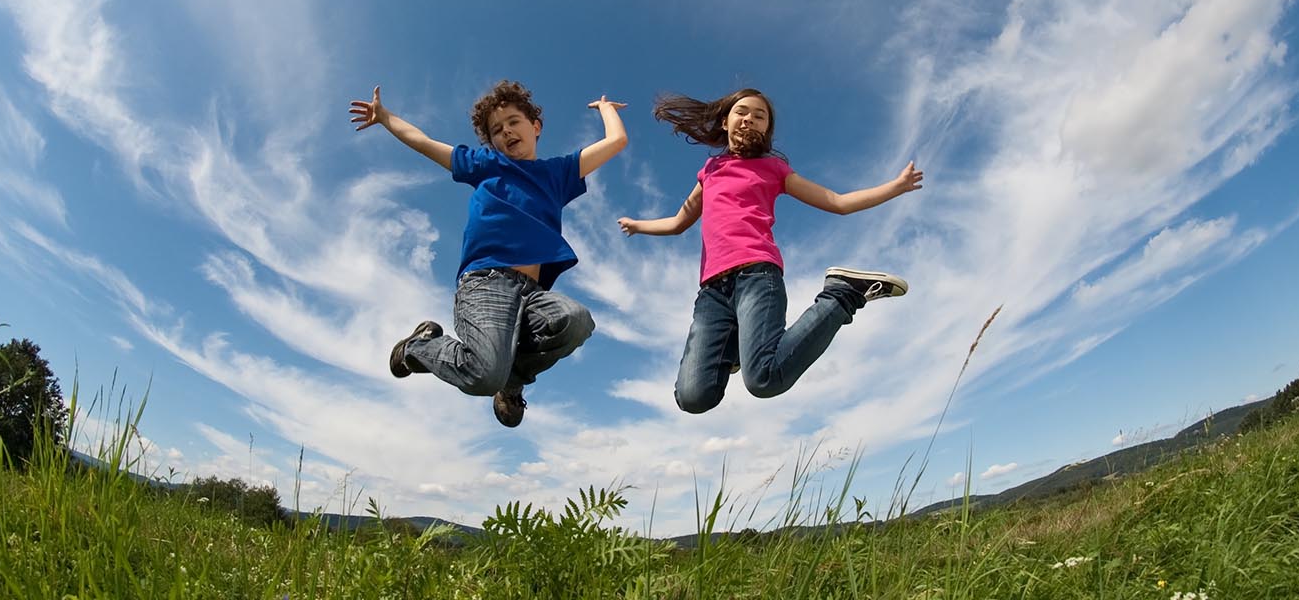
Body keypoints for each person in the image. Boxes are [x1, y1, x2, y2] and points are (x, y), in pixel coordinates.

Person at [618, 88, 923, 414]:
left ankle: (842, 295)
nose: (749, 118)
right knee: (692, 398)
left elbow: (837, 202)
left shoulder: (773, 169)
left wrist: (896, 187)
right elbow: (679, 221)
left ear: (766, 130)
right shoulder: (709, 172)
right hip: (712, 293)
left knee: (764, 380)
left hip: (756, 276)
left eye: (759, 116)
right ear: (725, 121)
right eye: (742, 112)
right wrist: (639, 225)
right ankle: (733, 348)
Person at [349, 81, 628, 427]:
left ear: (535, 127)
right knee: (483, 375)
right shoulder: (484, 164)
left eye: (514, 121)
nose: (506, 131)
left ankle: (513, 381)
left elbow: (616, 142)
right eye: (497, 130)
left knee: (576, 321)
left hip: (533, 294)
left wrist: (606, 109)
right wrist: (385, 117)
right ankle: (419, 347)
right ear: (491, 141)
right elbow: (424, 143)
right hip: (486, 283)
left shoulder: (557, 174)